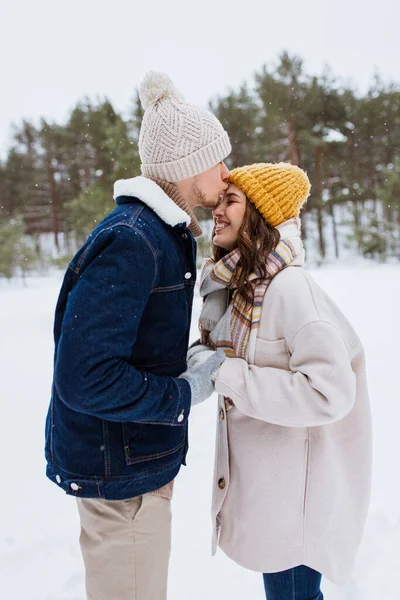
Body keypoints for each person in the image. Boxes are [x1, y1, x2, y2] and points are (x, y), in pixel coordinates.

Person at [44, 71, 230, 600]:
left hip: (132, 468)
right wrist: (183, 392)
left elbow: (128, 348)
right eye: (220, 159)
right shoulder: (135, 241)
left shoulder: (158, 235)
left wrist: (186, 361)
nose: (226, 173)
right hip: (119, 477)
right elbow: (84, 377)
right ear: (190, 164)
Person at [189, 162, 372, 599]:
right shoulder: (243, 287)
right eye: (218, 201)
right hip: (274, 495)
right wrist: (210, 360)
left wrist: (227, 373)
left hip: (297, 504)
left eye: (231, 201)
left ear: (260, 216)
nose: (217, 210)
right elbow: (216, 353)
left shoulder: (289, 289)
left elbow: (329, 392)